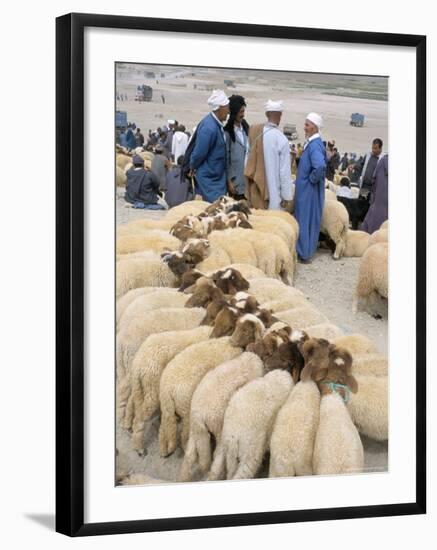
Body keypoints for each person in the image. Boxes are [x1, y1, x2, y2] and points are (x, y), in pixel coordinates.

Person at [294, 112, 326, 263]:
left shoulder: (314, 146)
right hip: (308, 190)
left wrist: (310, 180)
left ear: (314, 127)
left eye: (307, 125)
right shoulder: (314, 144)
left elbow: (319, 167)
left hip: (309, 191)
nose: (304, 127)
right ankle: (305, 250)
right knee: (307, 218)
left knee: (306, 219)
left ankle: (304, 252)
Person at [189, 89, 230, 202]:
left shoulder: (216, 125)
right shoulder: (209, 127)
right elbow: (199, 153)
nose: (228, 111)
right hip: (209, 181)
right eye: (227, 108)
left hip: (216, 178)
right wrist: (192, 166)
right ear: (220, 108)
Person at [224, 94, 250, 200]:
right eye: (241, 112)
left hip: (247, 181)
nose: (243, 115)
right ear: (233, 113)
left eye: (244, 111)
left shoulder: (246, 128)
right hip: (236, 183)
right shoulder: (227, 132)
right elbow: (226, 158)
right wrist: (229, 181)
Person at [361, 154, 388, 233]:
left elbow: (374, 178)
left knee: (370, 220)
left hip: (377, 197)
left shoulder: (381, 161)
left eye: (375, 148)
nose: (373, 150)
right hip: (384, 203)